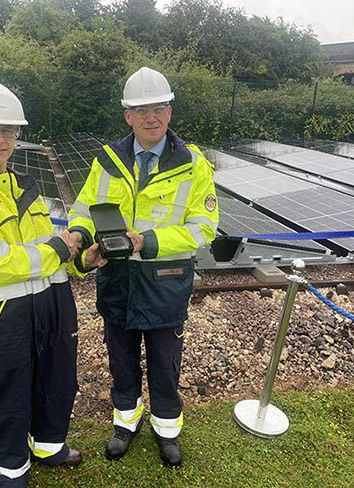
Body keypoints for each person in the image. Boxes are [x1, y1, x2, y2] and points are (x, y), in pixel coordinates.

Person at [0, 80, 105, 487]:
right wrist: (61, 251)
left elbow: (46, 257)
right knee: (6, 393)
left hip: (51, 304)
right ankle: (8, 469)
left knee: (57, 379)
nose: (0, 139)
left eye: (8, 131)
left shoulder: (25, 186)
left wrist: (82, 261)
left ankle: (49, 445)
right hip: (2, 317)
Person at [67, 67, 219, 468]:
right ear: (127, 116)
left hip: (165, 285)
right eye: (142, 109)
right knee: (121, 359)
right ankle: (125, 424)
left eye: (159, 107)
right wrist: (80, 240)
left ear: (169, 112)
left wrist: (148, 242)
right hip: (117, 281)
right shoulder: (108, 160)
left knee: (165, 365)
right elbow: (84, 208)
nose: (152, 116)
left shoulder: (193, 164)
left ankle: (167, 430)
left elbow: (203, 228)